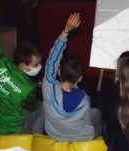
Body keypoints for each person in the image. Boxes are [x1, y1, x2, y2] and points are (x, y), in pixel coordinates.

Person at [42, 13, 101, 141]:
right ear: (80, 78)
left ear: (59, 72)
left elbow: (52, 60)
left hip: (53, 134)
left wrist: (66, 30)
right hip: (81, 136)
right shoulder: (84, 99)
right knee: (96, 114)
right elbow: (88, 123)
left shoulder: (48, 88)